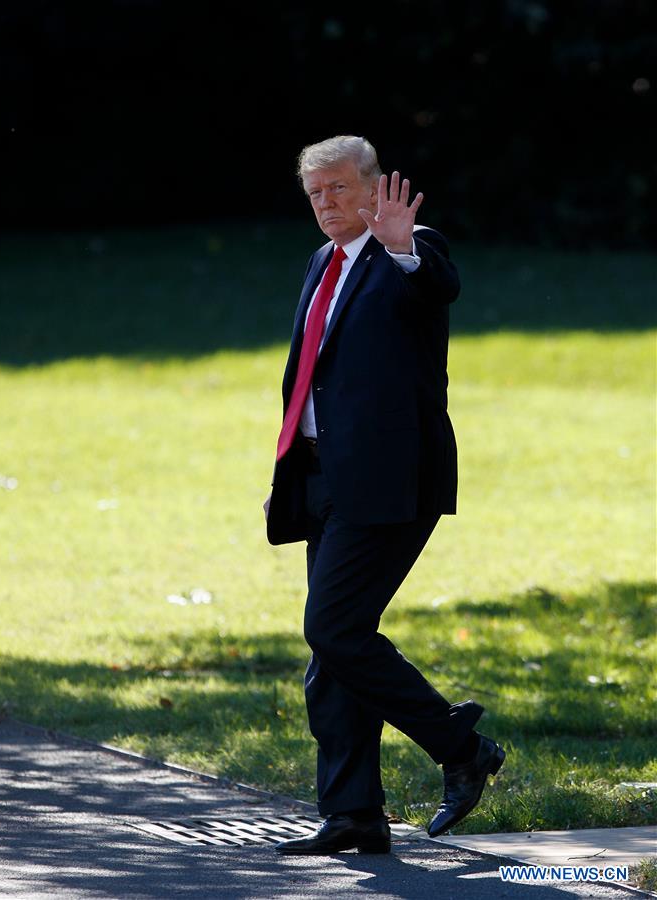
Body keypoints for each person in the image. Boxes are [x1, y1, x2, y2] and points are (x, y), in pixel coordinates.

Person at [263, 135, 504, 855]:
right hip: (319, 473)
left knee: (334, 630)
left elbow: (435, 284)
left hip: (390, 478)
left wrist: (401, 248)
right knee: (331, 653)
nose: (327, 204)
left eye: (339, 188)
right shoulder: (321, 261)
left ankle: (460, 747)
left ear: (374, 188)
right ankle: (353, 816)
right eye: (315, 194)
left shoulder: (410, 248)